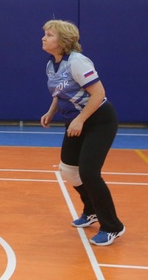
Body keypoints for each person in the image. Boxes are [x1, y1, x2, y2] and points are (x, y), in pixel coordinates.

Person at [40, 19, 125, 246]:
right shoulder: (51, 64)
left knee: (89, 172)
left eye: (49, 35)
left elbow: (98, 94)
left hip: (99, 120)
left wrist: (80, 119)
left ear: (63, 41)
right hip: (76, 122)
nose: (43, 38)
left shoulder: (77, 62)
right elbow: (60, 93)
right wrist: (51, 111)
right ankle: (91, 210)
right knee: (68, 170)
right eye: (44, 34)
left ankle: (113, 226)